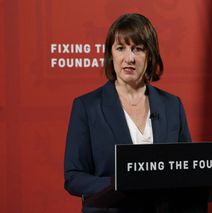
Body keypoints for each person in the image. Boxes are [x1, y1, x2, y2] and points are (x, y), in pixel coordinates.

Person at [64, 13, 193, 212]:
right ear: (111, 54)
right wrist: (119, 184)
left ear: (150, 55)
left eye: (138, 49)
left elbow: (188, 169)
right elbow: (74, 177)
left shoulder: (172, 105)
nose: (129, 58)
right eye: (121, 48)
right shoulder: (87, 106)